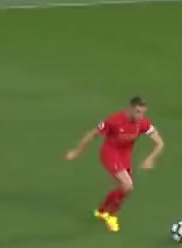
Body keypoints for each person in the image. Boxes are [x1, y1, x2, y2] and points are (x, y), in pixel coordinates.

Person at [65, 96, 165, 233]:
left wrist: (150, 159)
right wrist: (76, 151)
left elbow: (159, 143)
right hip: (110, 153)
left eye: (142, 112)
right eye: (137, 112)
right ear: (130, 108)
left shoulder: (143, 123)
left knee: (122, 188)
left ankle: (101, 210)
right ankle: (111, 215)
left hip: (125, 156)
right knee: (127, 186)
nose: (140, 116)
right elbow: (92, 134)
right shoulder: (114, 120)